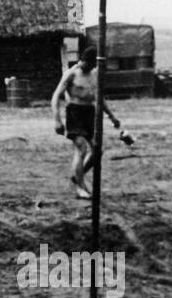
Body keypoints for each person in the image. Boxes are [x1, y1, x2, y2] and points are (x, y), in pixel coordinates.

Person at [51, 46, 122, 200]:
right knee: (81, 148)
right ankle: (80, 187)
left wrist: (112, 117)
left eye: (92, 65)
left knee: (97, 151)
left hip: (89, 114)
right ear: (83, 61)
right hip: (74, 114)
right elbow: (56, 96)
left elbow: (99, 98)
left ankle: (77, 176)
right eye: (87, 64)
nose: (89, 67)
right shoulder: (71, 74)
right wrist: (57, 120)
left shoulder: (94, 76)